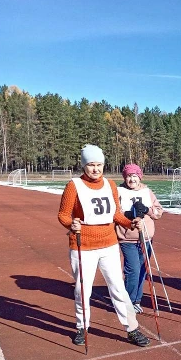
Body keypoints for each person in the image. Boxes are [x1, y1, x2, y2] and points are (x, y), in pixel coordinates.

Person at [57, 144, 150, 347]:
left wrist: (131, 223)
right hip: (83, 245)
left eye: (99, 164)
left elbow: (116, 214)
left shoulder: (110, 185)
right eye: (91, 165)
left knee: (118, 288)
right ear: (84, 165)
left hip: (109, 244)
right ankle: (82, 327)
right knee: (83, 290)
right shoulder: (74, 185)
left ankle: (132, 328)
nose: (96, 169)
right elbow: (63, 215)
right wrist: (71, 224)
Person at [116, 163, 163, 314]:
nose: (132, 179)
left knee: (143, 270)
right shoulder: (118, 191)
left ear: (139, 177)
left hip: (146, 238)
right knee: (133, 270)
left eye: (134, 176)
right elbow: (115, 212)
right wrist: (129, 215)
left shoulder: (147, 191)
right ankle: (128, 302)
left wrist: (147, 210)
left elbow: (158, 212)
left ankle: (137, 299)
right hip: (127, 238)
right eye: (128, 176)